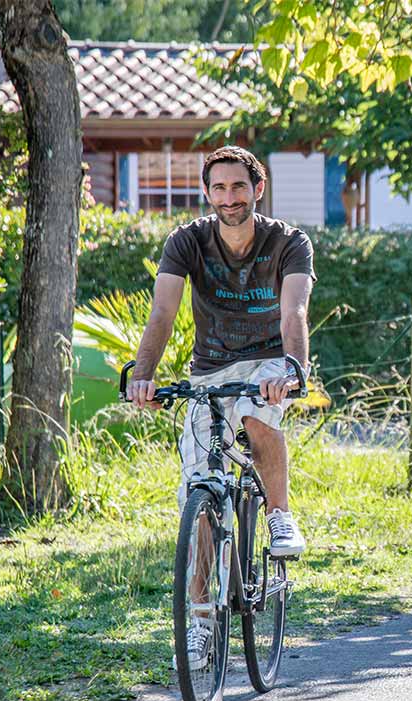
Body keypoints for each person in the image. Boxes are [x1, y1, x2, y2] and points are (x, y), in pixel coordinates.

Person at [128, 146, 313, 666]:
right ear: (207, 193)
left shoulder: (288, 243)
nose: (229, 198)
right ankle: (202, 620)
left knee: (258, 417)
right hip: (208, 370)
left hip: (267, 365)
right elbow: (163, 313)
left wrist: (291, 368)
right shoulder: (187, 242)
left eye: (238, 187)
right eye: (219, 188)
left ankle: (278, 514)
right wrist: (143, 376)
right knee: (201, 505)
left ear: (258, 188)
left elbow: (293, 311)